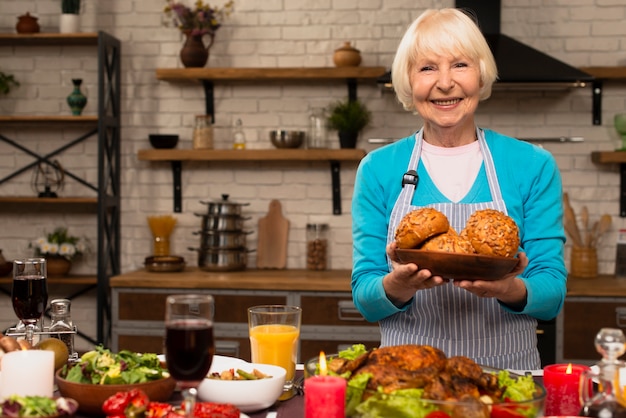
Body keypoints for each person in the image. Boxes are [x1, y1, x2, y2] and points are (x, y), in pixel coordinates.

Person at [351, 8, 567, 370]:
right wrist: (399, 285)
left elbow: (552, 294)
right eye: (427, 67)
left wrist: (508, 289)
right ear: (408, 81)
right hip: (408, 378)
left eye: (460, 65)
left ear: (481, 75)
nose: (445, 82)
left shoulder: (533, 164)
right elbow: (365, 297)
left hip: (506, 377)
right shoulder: (378, 169)